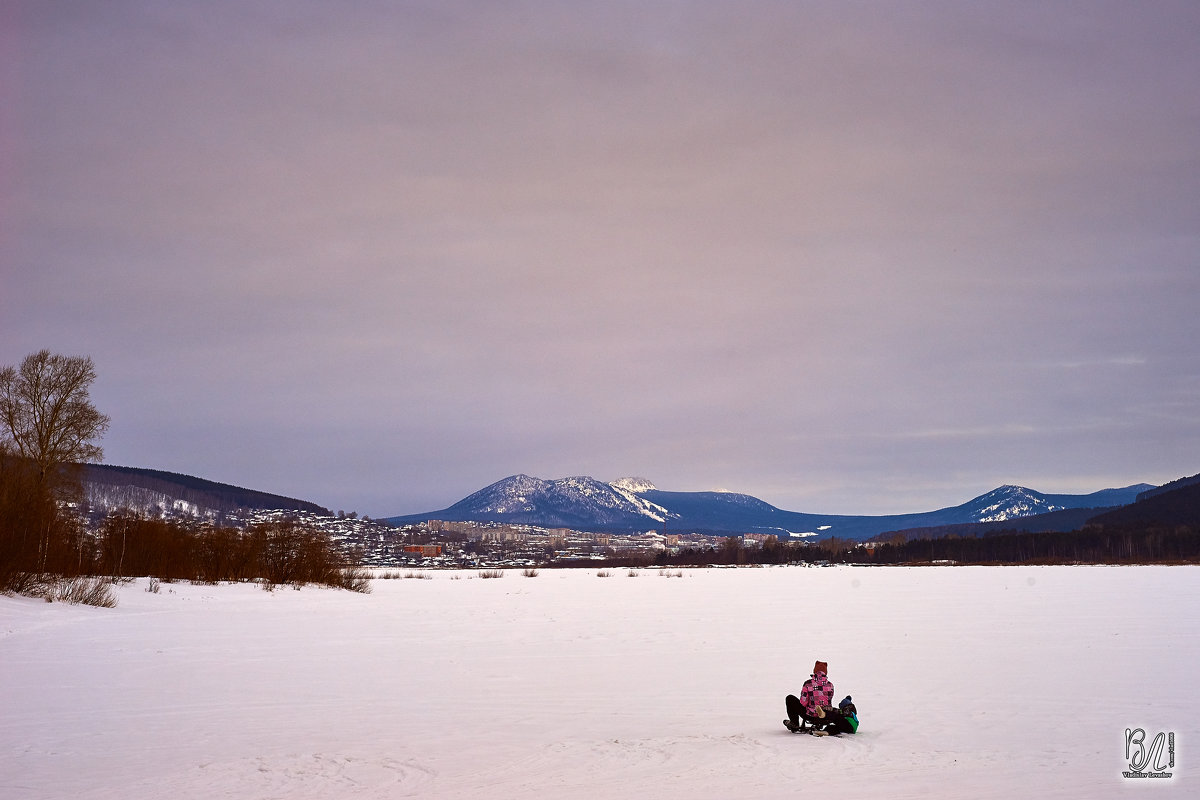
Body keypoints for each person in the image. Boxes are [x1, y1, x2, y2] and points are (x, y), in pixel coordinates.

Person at [784, 660, 834, 732]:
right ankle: (819, 718)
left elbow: (803, 703)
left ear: (815, 671)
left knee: (790, 698)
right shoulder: (830, 685)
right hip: (825, 716)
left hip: (810, 716)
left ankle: (794, 723)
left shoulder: (808, 684)